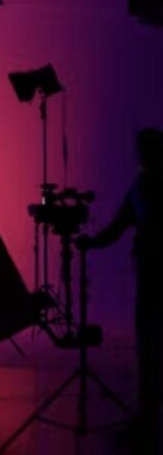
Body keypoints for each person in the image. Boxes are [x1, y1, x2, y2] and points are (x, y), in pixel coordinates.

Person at [78, 128, 163, 451]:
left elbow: (117, 228)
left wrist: (91, 243)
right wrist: (92, 243)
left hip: (151, 274)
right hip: (149, 275)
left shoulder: (141, 187)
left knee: (149, 345)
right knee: (149, 346)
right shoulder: (140, 187)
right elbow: (116, 228)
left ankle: (147, 418)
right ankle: (147, 416)